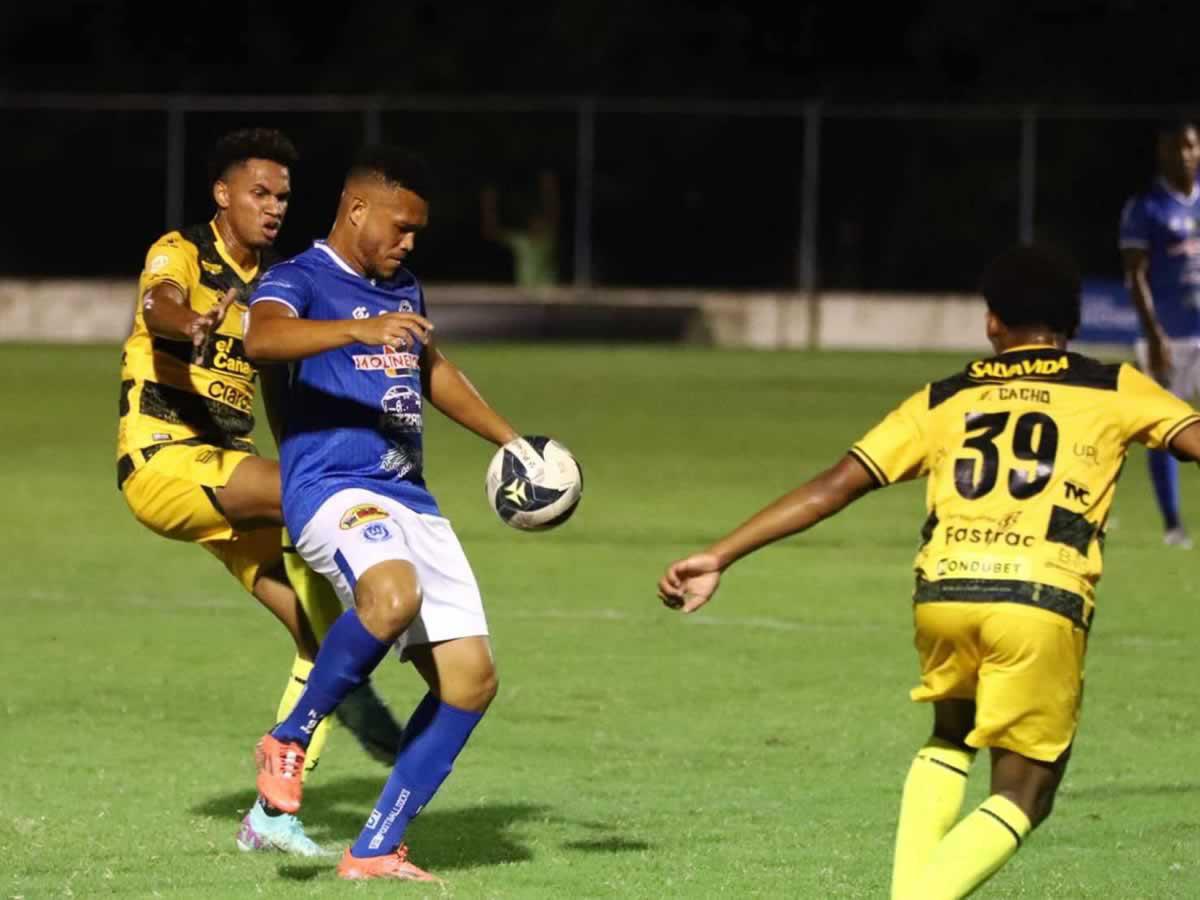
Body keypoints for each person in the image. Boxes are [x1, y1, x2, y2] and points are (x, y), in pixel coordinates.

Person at [657, 245, 1200, 900]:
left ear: (992, 322)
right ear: (1074, 322)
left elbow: (835, 485)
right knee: (1026, 791)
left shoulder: (945, 396)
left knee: (950, 735)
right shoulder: (1113, 386)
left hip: (945, 590)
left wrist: (720, 554)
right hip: (1039, 597)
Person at [116, 128, 403, 857]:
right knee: (320, 498)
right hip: (162, 459)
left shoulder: (276, 282)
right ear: (223, 194)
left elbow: (276, 387)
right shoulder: (182, 251)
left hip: (228, 474)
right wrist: (193, 321)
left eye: (282, 197)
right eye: (260, 193)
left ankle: (273, 812)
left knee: (325, 640)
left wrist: (300, 450)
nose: (274, 207)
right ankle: (392, 598)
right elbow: (159, 305)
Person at [245, 145, 520, 882]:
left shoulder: (403, 289)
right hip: (332, 486)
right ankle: (288, 738)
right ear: (357, 208)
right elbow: (261, 338)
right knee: (392, 595)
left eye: (417, 233)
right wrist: (355, 330)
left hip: (409, 497)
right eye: (400, 227)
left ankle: (373, 848)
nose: (408, 244)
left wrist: (513, 441)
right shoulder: (297, 279)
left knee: (469, 681)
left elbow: (433, 371)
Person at [1119, 119, 1200, 548]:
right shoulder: (1145, 208)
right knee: (1163, 428)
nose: (1183, 155)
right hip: (1169, 337)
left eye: (1189, 146)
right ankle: (1172, 524)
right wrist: (1154, 336)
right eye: (1174, 148)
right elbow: (1135, 275)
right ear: (1161, 153)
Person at [481, 170, 560, 287]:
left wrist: (549, 189)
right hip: (524, 291)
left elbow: (553, 213)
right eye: (534, 222)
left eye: (540, 222)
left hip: (549, 291)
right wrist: (488, 204)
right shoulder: (522, 241)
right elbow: (492, 232)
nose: (537, 225)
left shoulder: (547, 239)